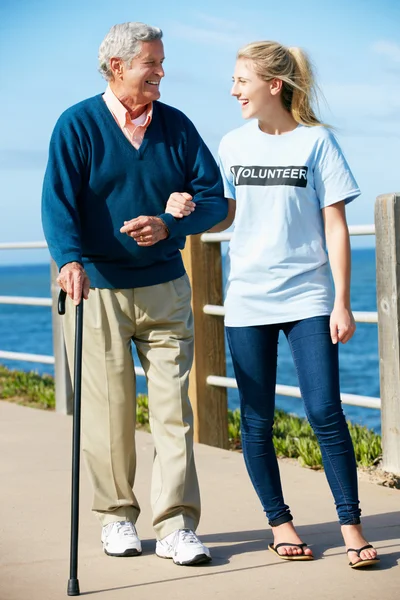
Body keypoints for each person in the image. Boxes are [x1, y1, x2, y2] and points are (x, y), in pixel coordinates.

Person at [165, 40, 380, 568]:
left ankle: (350, 526)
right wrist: (190, 208)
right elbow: (226, 217)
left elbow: (335, 224)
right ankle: (280, 523)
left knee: (326, 411)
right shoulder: (233, 143)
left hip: (309, 296)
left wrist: (343, 302)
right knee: (257, 420)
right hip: (248, 300)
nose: (233, 89)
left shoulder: (318, 144)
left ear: (273, 85)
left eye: (241, 80)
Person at [42, 21, 227, 566]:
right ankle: (118, 518)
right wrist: (70, 259)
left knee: (174, 412)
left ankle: (176, 526)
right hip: (98, 288)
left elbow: (215, 200)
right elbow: (58, 201)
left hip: (166, 287)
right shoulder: (77, 125)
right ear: (119, 66)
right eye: (153, 64)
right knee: (109, 412)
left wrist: (172, 226)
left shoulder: (176, 126)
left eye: (162, 63)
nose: (162, 73)